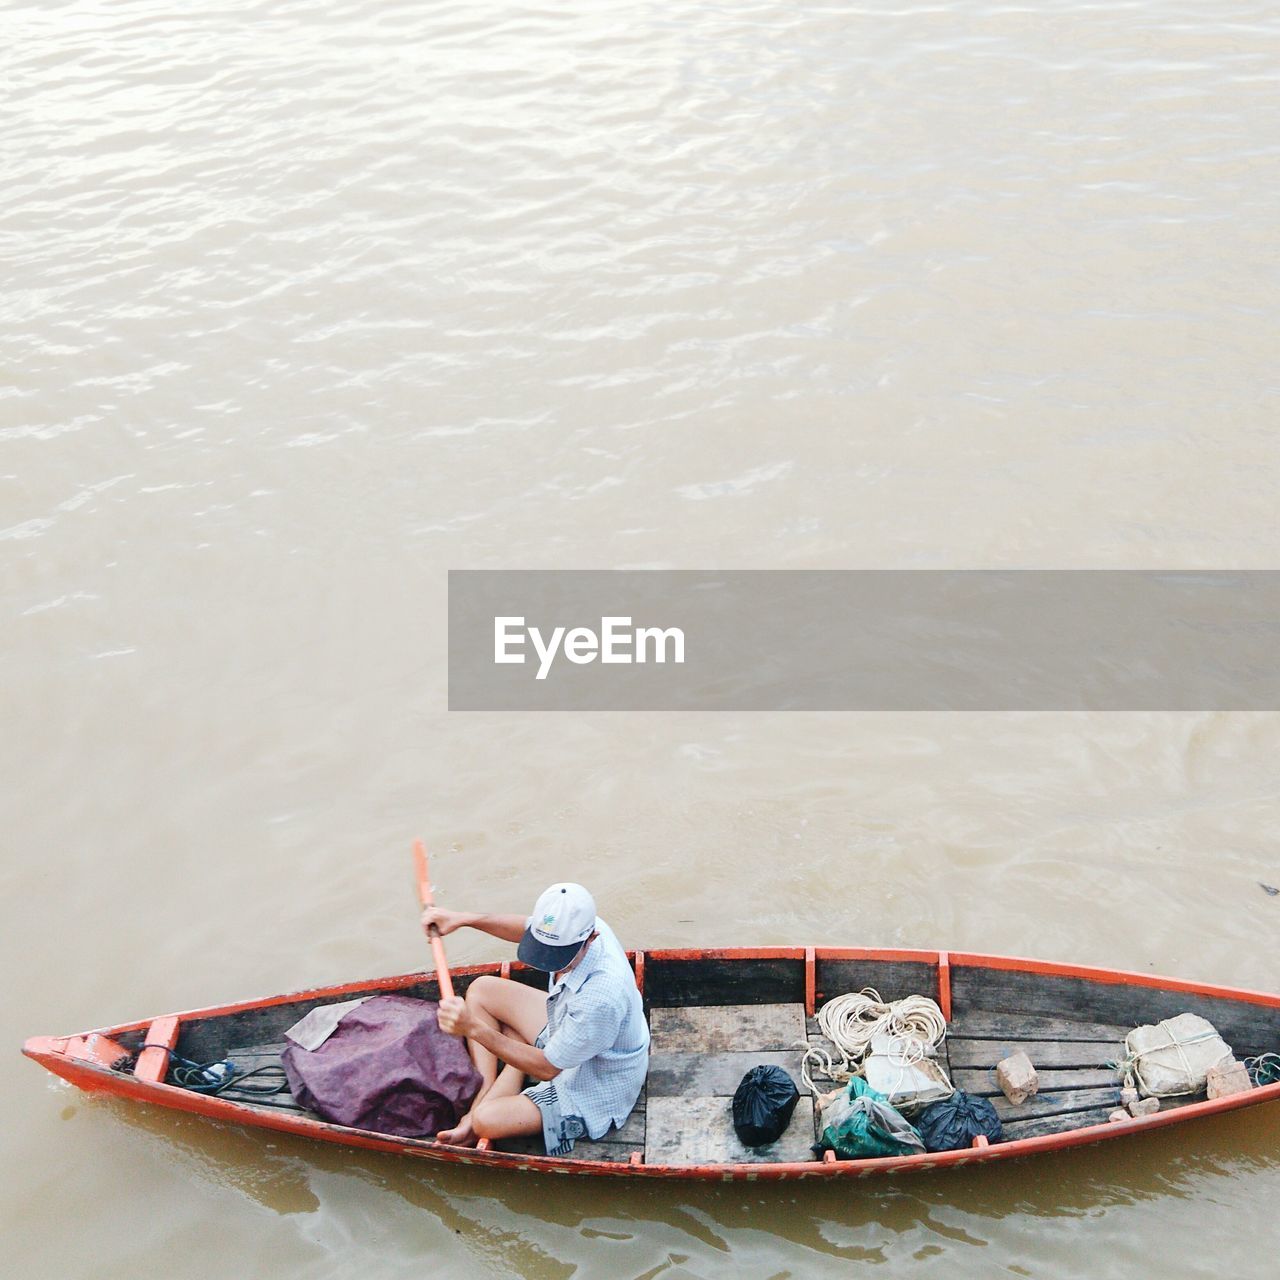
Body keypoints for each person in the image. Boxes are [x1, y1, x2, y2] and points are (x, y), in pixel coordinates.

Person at [422, 882, 649, 1154]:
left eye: (559, 955)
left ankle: (497, 1088)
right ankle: (485, 1091)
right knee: (482, 990)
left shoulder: (600, 998)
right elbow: (525, 928)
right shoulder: (575, 923)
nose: (549, 961)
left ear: (591, 938)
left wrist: (472, 1028)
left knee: (485, 1121)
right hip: (568, 1024)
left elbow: (548, 1069)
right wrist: (464, 919)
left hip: (595, 1084)